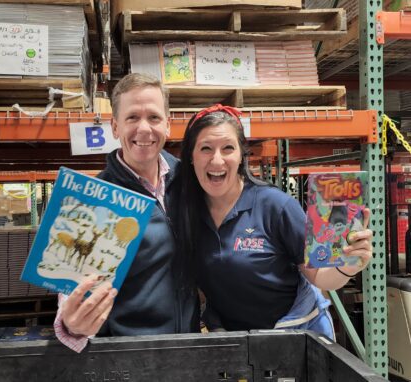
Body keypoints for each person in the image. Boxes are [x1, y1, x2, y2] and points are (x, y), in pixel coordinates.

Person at [178, 104, 373, 338]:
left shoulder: (276, 206)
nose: (217, 161)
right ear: (191, 156)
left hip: (297, 335)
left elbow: (321, 277)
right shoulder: (187, 212)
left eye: (228, 148)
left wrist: (348, 264)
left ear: (241, 156)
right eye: (206, 149)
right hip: (237, 343)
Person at [53, 73, 199, 352]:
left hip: (186, 346)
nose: (144, 129)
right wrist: (73, 325)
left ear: (168, 125)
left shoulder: (188, 180)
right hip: (128, 353)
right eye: (132, 118)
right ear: (115, 126)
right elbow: (70, 290)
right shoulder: (94, 200)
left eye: (154, 118)